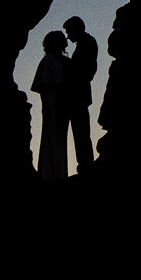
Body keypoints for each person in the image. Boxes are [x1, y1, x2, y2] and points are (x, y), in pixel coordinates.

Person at [30, 30, 74, 182]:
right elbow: (43, 87)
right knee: (51, 137)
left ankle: (59, 173)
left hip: (63, 102)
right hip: (53, 101)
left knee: (60, 138)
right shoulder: (49, 60)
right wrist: (45, 107)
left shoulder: (64, 61)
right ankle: (49, 174)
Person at [61, 15, 100, 175]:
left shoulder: (87, 43)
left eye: (68, 31)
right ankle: (85, 164)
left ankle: (86, 166)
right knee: (81, 132)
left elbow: (86, 70)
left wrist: (67, 64)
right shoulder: (85, 43)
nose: (68, 36)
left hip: (79, 96)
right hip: (78, 96)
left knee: (81, 133)